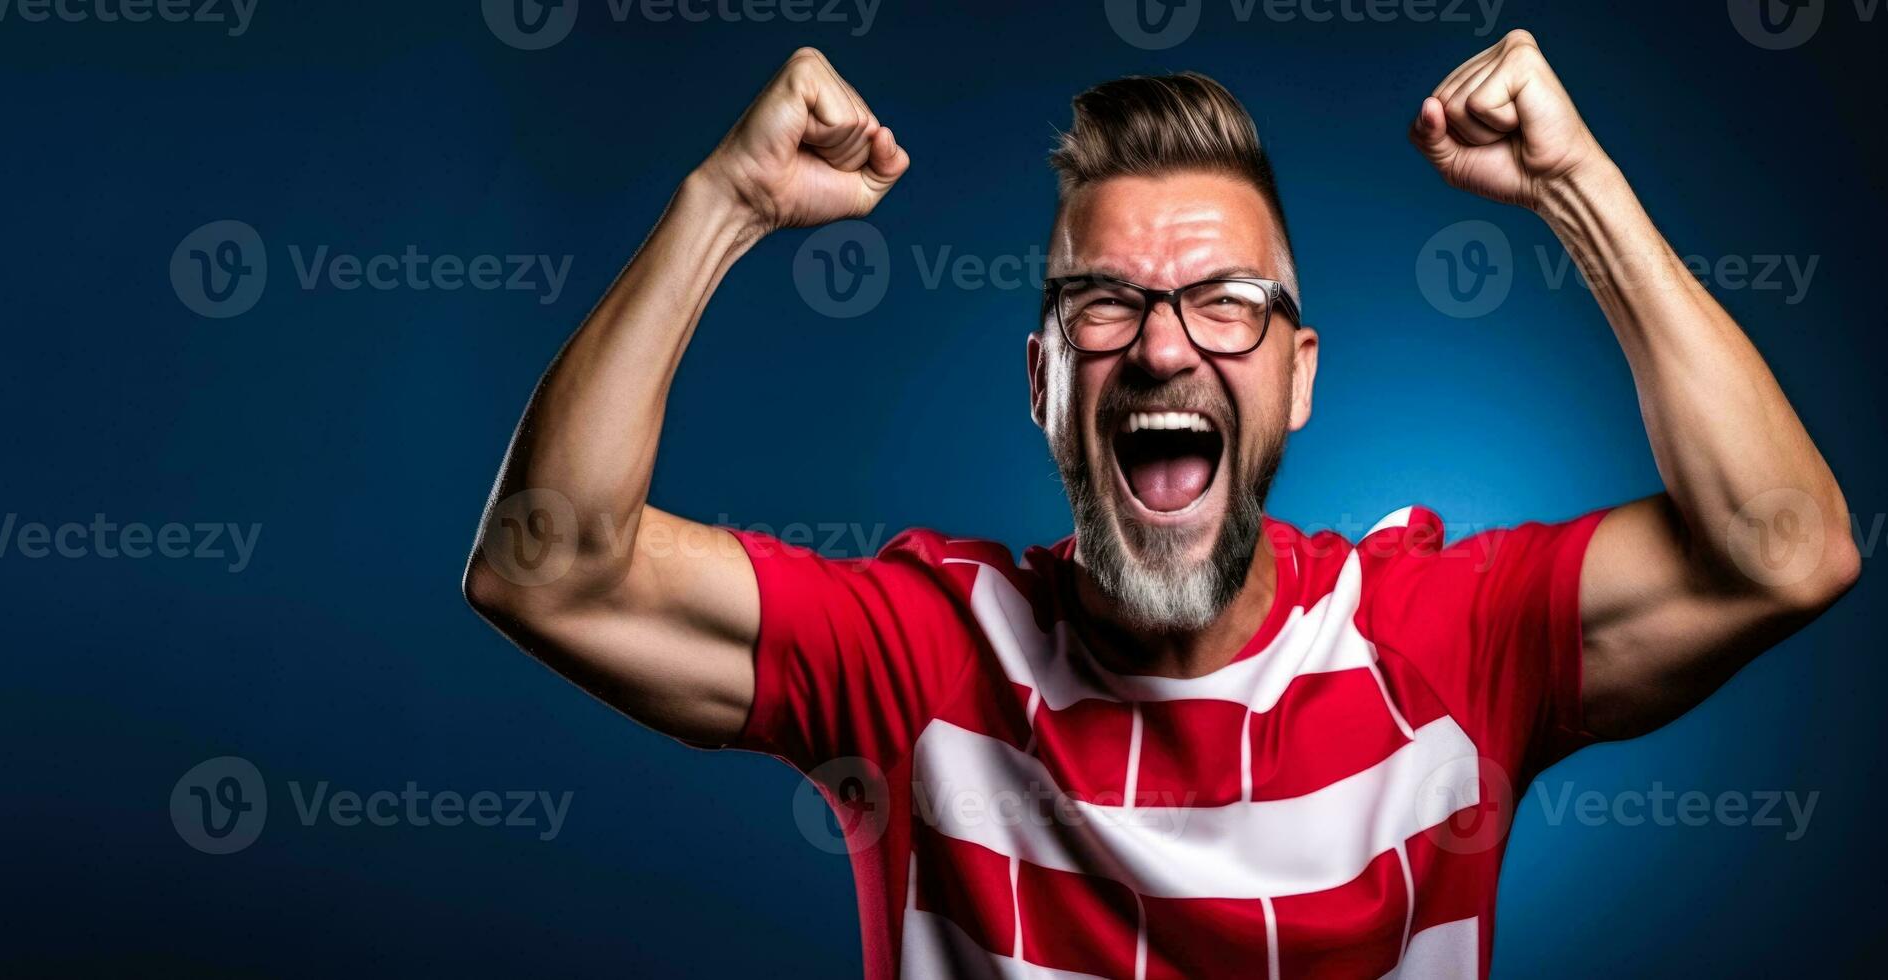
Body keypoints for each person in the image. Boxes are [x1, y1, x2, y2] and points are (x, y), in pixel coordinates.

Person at [462, 33, 1857, 979]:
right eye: (1103, 301)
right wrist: (723, 202)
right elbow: (548, 571)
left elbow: (1782, 549)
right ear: (1041, 380)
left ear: (1299, 379)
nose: (1164, 345)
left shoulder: (1439, 640)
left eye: (1226, 303)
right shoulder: (918, 659)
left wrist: (1574, 187)